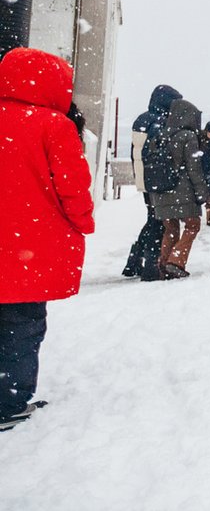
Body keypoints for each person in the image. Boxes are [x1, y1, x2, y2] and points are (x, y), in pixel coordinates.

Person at [0, 48, 95, 431]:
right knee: (22, 324)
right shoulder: (54, 125)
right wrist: (83, 221)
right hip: (28, 246)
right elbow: (72, 186)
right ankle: (8, 402)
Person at [122, 84, 182, 280]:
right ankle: (150, 266)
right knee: (158, 221)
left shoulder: (143, 119)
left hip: (145, 178)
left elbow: (138, 152)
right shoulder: (160, 122)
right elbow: (162, 153)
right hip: (158, 179)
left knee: (152, 217)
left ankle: (134, 260)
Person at [150, 99, 209, 279]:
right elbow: (194, 168)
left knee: (171, 228)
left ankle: (164, 263)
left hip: (160, 190)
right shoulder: (187, 136)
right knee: (193, 225)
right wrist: (202, 191)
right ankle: (176, 261)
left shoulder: (159, 135)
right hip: (182, 190)